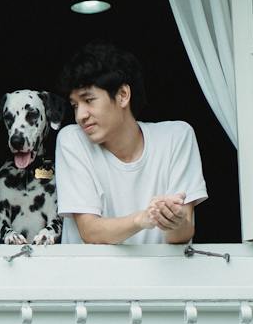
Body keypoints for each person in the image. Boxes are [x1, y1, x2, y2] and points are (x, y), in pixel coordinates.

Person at [55, 42, 207, 245]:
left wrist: (173, 220)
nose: (80, 115)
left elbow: (181, 234)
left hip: (160, 276)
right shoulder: (72, 140)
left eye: (89, 100)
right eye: (75, 105)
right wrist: (142, 219)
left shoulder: (176, 137)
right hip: (89, 276)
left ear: (122, 95)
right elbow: (90, 231)